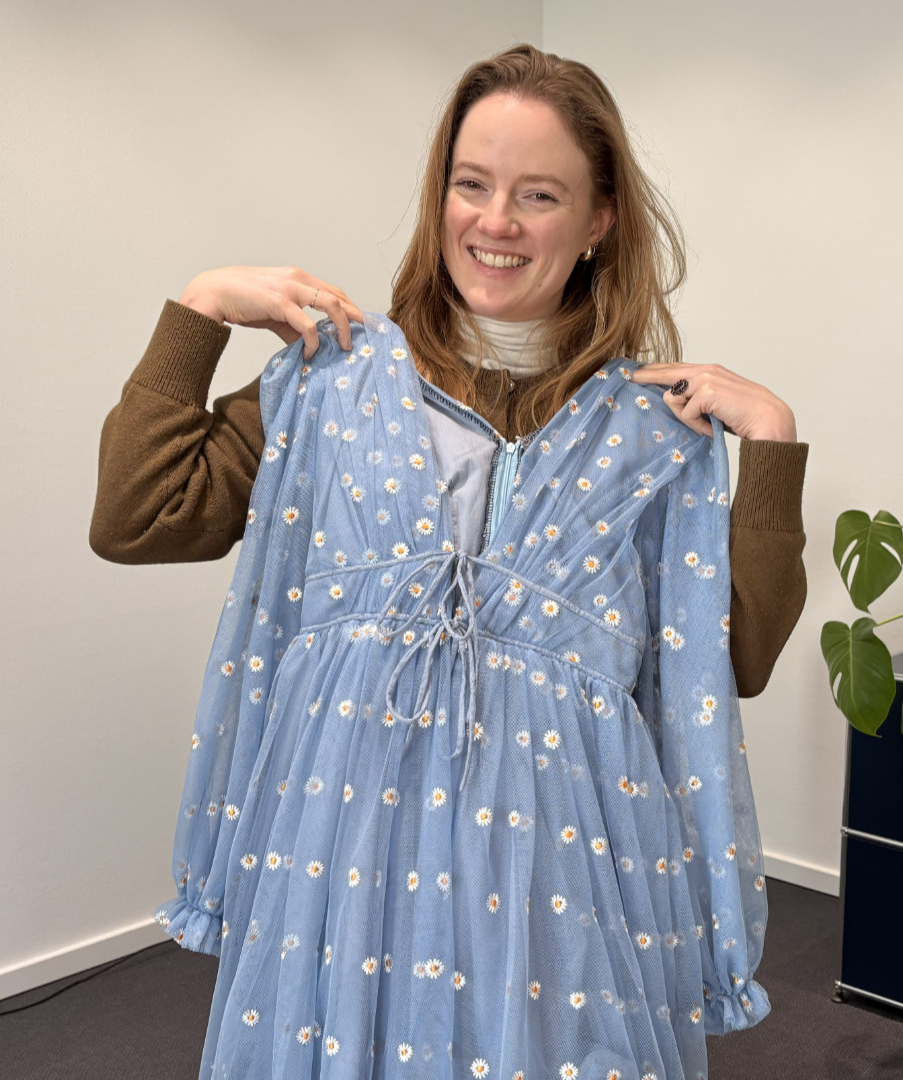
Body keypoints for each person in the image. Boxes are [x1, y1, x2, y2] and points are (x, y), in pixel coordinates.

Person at [91, 44, 807, 1080]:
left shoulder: (649, 434)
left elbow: (734, 656)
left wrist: (772, 446)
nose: (495, 221)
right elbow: (139, 516)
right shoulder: (332, 385)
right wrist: (199, 310)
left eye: (538, 195)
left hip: (556, 869)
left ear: (600, 220)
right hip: (346, 857)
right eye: (471, 185)